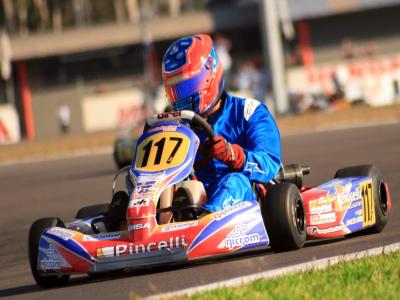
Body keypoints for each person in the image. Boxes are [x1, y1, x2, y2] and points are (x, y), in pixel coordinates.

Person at [162, 34, 281, 212]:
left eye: (187, 86)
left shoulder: (249, 113)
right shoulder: (173, 125)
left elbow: (270, 164)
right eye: (175, 90)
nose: (182, 96)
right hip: (191, 197)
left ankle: (206, 220)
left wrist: (234, 155)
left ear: (211, 73)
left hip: (244, 196)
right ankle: (138, 224)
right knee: (164, 188)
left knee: (234, 181)